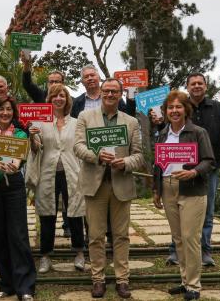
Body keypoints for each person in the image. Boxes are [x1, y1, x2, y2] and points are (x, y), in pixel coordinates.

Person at [151, 73, 220, 266]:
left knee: (207, 212)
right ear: (187, 86)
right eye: (192, 83)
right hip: (179, 167)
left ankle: (205, 251)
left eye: (200, 83)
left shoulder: (218, 107)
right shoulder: (180, 106)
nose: (196, 86)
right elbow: (169, 132)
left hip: (209, 167)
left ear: (206, 86)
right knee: (177, 212)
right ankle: (176, 251)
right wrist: (158, 121)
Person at [73, 79, 144, 299]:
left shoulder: (131, 121)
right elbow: (77, 146)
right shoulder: (85, 117)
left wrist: (126, 163)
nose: (110, 94)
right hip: (95, 184)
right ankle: (98, 279)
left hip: (120, 183)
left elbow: (140, 155)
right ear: (101, 92)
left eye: (114, 91)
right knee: (95, 236)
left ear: (121, 94)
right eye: (106, 91)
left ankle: (122, 280)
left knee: (121, 236)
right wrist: (96, 156)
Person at [152, 90, 215, 301]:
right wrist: (156, 190)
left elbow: (209, 161)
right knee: (178, 238)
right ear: (166, 111)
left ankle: (194, 286)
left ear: (185, 109)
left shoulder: (198, 132)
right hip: (168, 187)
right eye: (170, 107)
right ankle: (184, 281)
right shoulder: (162, 133)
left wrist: (193, 171)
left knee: (190, 238)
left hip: (192, 189)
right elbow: (158, 165)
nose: (174, 111)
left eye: (178, 107)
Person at [0, 96, 36, 300]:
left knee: (18, 234)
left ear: (13, 113)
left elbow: (21, 154)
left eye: (9, 110)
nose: (5, 113)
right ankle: (7, 283)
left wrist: (14, 163)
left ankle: (25, 286)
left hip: (14, 185)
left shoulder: (20, 133)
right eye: (1, 109)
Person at [29, 84, 86, 273]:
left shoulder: (77, 122)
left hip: (72, 172)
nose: (58, 98)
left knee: (75, 213)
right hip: (48, 173)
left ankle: (79, 252)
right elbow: (36, 149)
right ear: (49, 99)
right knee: (47, 214)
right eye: (55, 95)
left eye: (62, 95)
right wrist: (32, 138)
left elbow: (81, 148)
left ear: (67, 99)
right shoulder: (40, 123)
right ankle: (45, 256)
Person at [20, 51, 73, 238]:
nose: (54, 84)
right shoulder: (41, 97)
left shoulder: (70, 101)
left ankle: (68, 225)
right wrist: (27, 65)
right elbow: (27, 83)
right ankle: (46, 237)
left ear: (64, 83)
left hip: (68, 159)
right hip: (46, 159)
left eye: (57, 80)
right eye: (51, 81)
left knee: (70, 197)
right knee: (47, 199)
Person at [71, 65, 135, 118]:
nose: (90, 78)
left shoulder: (113, 97)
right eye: (86, 77)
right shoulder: (76, 103)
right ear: (82, 82)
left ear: (99, 78)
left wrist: (131, 94)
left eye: (92, 75)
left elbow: (129, 117)